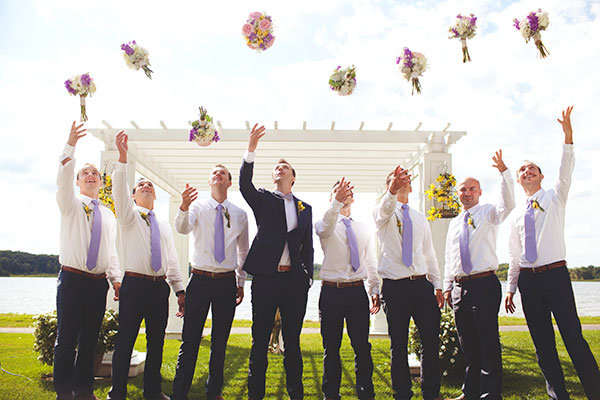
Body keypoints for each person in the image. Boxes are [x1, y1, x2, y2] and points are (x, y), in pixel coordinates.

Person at [504, 106, 600, 400]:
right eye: (522, 169)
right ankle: (558, 396)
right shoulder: (516, 215)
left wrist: (567, 136)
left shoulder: (556, 197)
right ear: (519, 180)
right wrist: (510, 288)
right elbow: (515, 255)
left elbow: (566, 168)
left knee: (573, 338)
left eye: (532, 168)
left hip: (556, 276)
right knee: (543, 345)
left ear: (542, 176)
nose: (527, 171)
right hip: (529, 284)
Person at [107, 131, 185, 400]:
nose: (147, 187)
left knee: (157, 342)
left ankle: (152, 391)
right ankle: (117, 392)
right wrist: (123, 159)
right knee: (126, 340)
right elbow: (118, 190)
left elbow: (172, 261)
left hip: (158, 289)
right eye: (142, 186)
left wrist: (179, 291)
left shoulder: (163, 225)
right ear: (133, 195)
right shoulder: (128, 216)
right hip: (134, 285)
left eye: (150, 186)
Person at [240, 124, 314, 400]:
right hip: (266, 280)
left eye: (286, 167)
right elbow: (244, 185)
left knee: (292, 342)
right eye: (277, 167)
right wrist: (251, 149)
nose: (280, 169)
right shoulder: (263, 199)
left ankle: (296, 394)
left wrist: (307, 279)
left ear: (293, 177)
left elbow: (308, 248)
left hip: (294, 283)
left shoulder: (305, 208)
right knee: (259, 340)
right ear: (273, 176)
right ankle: (255, 395)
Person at [55, 121, 121, 400]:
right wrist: (70, 145)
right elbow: (62, 177)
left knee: (90, 339)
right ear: (79, 181)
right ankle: (64, 391)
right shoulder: (69, 203)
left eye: (95, 172)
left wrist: (116, 279)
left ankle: (84, 389)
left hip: (97, 285)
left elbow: (112, 251)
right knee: (67, 339)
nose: (91, 175)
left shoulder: (108, 214)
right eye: (85, 173)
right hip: (72, 279)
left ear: (101, 181)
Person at [171, 164, 249, 400]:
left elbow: (243, 252)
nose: (217, 174)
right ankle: (179, 393)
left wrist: (241, 282)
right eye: (214, 172)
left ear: (229, 182)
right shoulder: (196, 207)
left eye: (222, 173)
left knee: (220, 341)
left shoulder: (240, 214)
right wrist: (183, 206)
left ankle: (213, 392)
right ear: (209, 181)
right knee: (190, 340)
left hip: (226, 283)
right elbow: (182, 228)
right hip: (200, 280)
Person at [443, 150, 515, 400]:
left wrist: (505, 174)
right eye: (463, 189)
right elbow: (449, 259)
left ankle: (490, 394)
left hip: (484, 284)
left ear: (480, 192)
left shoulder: (488, 213)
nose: (467, 193)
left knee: (487, 342)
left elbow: (508, 205)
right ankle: (470, 392)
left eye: (472, 189)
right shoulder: (454, 223)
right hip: (459, 289)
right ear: (458, 194)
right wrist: (446, 287)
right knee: (468, 345)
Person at [373, 166, 444, 400]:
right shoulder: (383, 213)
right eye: (396, 181)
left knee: (431, 341)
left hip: (422, 286)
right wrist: (391, 191)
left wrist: (438, 284)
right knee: (399, 345)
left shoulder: (420, 218)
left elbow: (429, 254)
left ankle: (431, 393)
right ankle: (402, 393)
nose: (402, 183)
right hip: (395, 287)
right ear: (389, 186)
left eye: (405, 181)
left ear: (411, 187)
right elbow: (384, 209)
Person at [315, 178, 380, 400]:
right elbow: (324, 229)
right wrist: (336, 203)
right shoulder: (324, 224)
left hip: (356, 293)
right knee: (331, 348)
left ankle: (366, 393)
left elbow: (370, 261)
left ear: (354, 197)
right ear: (331, 198)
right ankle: (331, 394)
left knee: (362, 346)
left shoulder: (363, 229)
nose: (343, 194)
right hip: (331, 293)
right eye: (337, 192)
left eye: (346, 191)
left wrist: (374, 290)